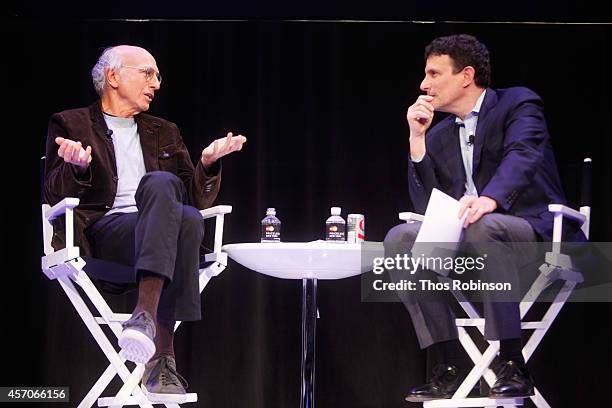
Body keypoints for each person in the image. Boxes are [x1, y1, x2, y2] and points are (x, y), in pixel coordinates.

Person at [384, 34, 582, 402]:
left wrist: (490, 199)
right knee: (400, 238)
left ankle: (512, 362)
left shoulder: (517, 103)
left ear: (466, 75)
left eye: (433, 73)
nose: (423, 85)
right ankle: (444, 366)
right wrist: (417, 140)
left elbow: (523, 154)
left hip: (532, 233)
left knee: (483, 223)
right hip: (475, 243)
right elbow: (430, 207)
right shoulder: (441, 134)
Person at [43, 45, 246, 402]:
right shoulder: (71, 123)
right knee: (168, 195)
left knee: (180, 209)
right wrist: (77, 168)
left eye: (158, 75)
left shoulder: (164, 131)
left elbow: (195, 202)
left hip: (164, 233)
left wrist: (208, 164)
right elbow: (52, 193)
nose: (157, 82)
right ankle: (162, 356)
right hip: (105, 233)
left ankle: (144, 318)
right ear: (113, 77)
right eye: (147, 73)